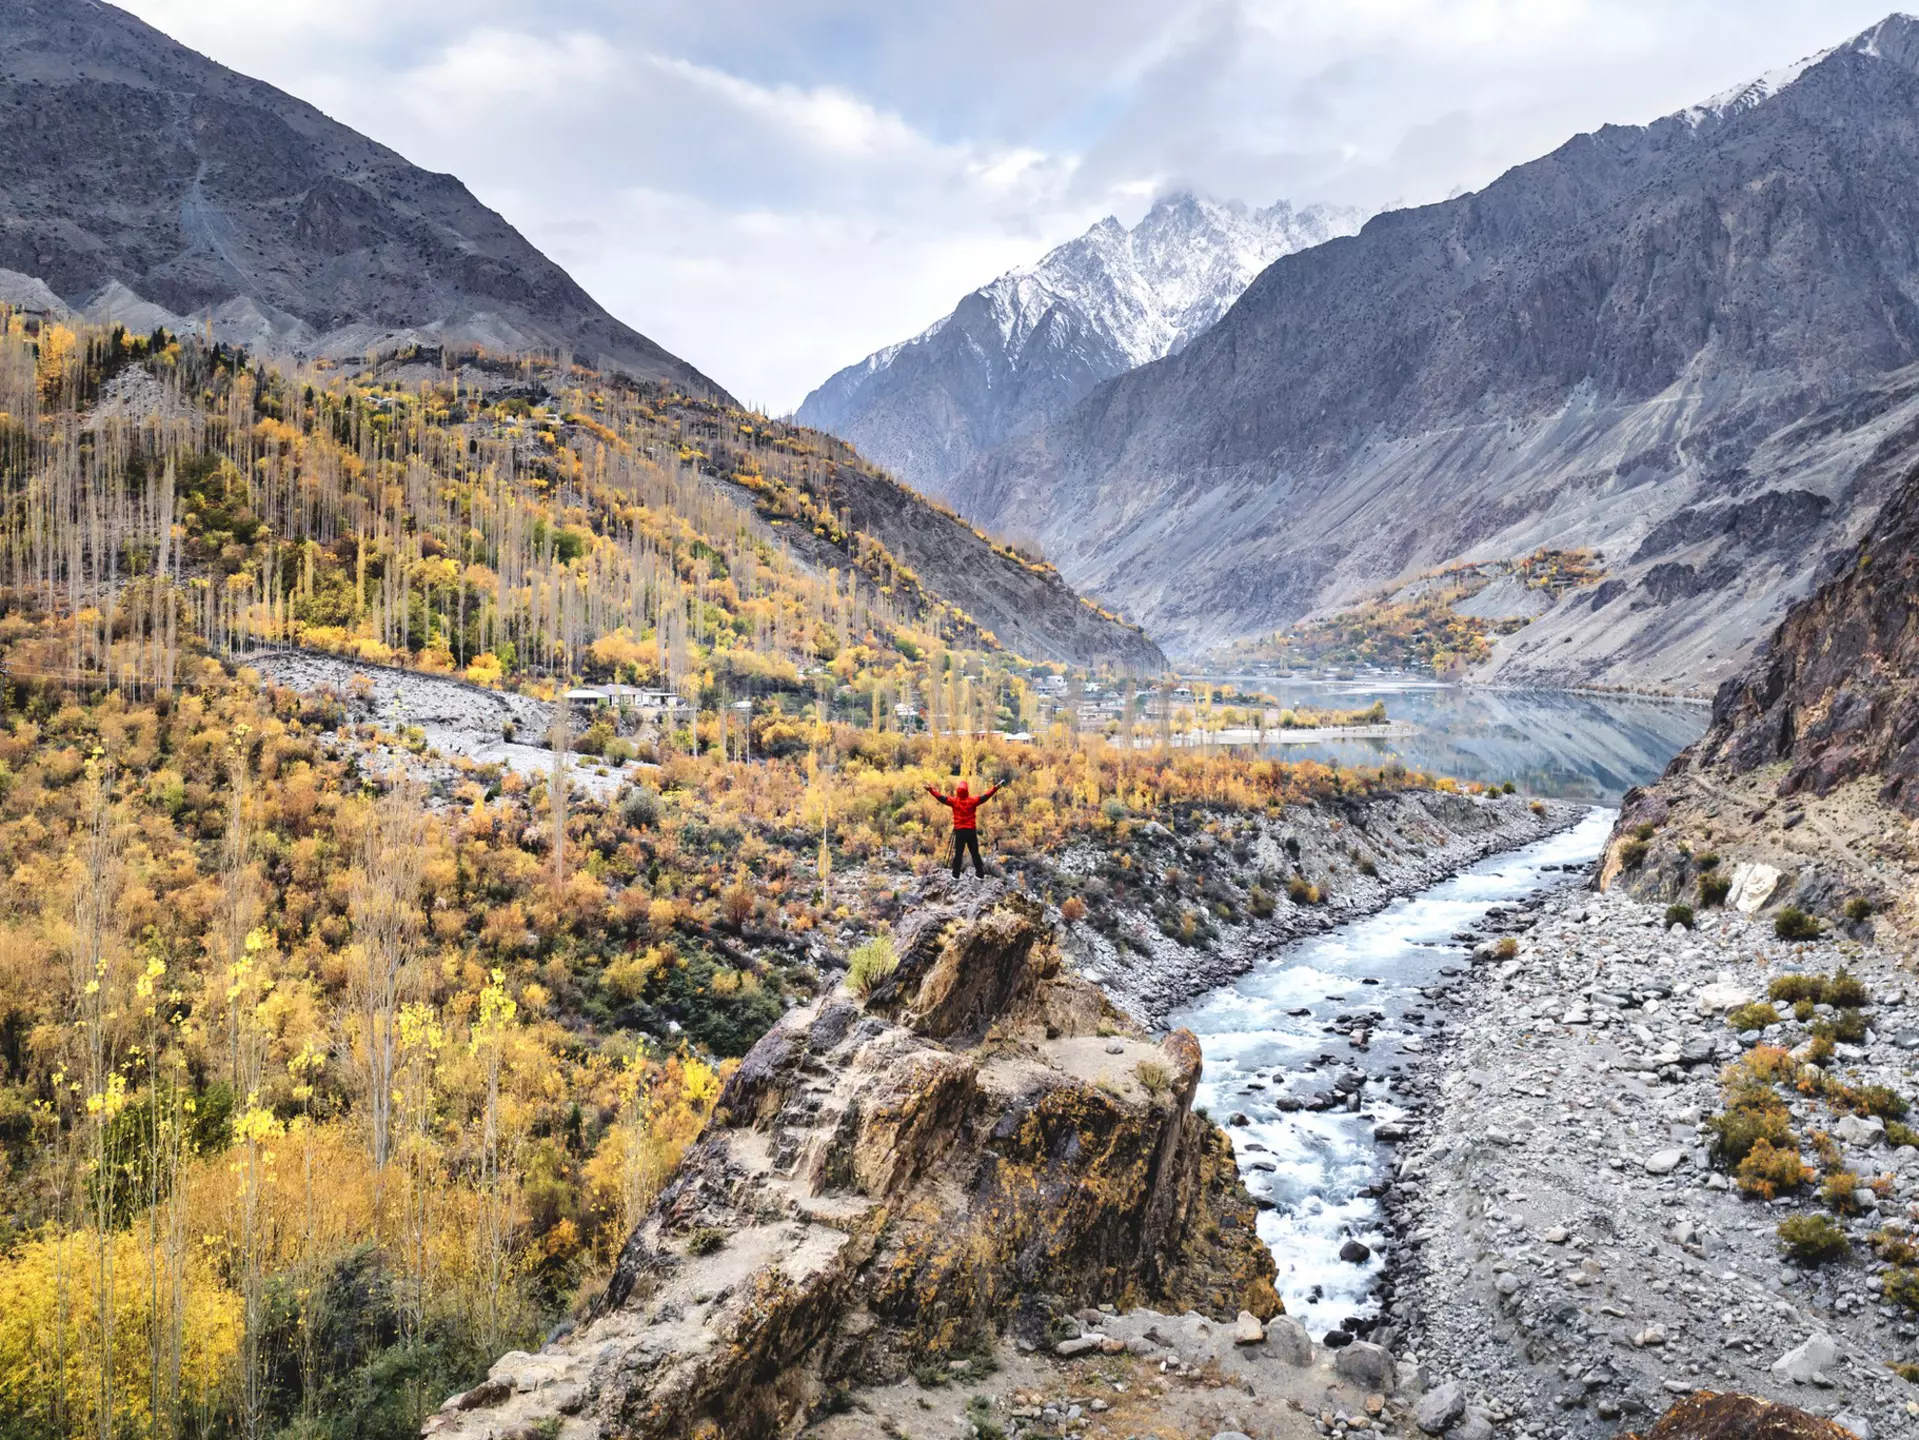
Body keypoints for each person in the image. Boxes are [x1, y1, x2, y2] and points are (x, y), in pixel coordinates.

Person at [926, 776, 1005, 878]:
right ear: (967, 791)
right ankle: (980, 874)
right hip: (971, 831)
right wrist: (996, 787)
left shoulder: (954, 801)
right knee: (975, 853)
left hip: (960, 832)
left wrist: (930, 790)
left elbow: (941, 798)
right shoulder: (973, 801)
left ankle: (955, 875)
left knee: (958, 854)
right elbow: (986, 796)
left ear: (958, 791)